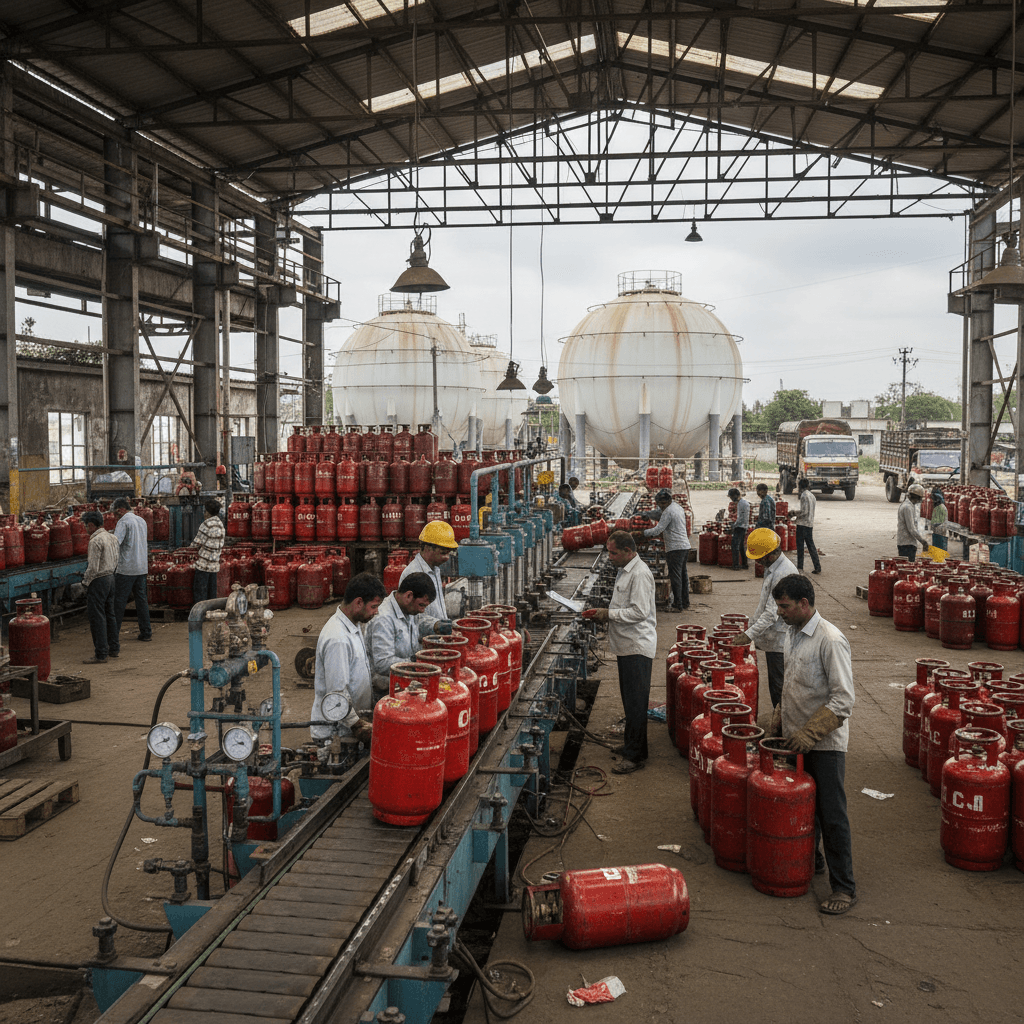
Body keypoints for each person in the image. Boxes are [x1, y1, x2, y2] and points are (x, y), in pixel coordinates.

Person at [770, 573, 857, 916]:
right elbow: (791, 683)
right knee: (804, 811)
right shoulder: (792, 633)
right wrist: (777, 720)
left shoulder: (830, 640)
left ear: (804, 604)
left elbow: (843, 701)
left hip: (824, 744)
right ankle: (813, 861)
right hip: (795, 739)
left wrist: (808, 734)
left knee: (831, 814)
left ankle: (844, 887)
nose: (780, 613)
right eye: (779, 606)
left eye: (785, 606)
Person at [586, 531, 657, 775]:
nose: (610, 557)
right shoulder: (625, 570)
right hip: (626, 645)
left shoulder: (639, 574)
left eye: (613, 552)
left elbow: (639, 612)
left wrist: (608, 614)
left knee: (636, 703)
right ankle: (631, 746)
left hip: (637, 646)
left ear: (629, 551)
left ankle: (635, 756)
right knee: (630, 701)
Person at [310, 572, 386, 744]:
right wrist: (358, 725)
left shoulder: (354, 625)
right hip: (334, 735)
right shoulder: (338, 639)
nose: (376, 612)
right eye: (374, 606)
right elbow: (337, 695)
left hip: (348, 726)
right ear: (359, 602)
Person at [733, 528, 798, 708]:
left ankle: (782, 729)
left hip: (780, 640)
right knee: (776, 684)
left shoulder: (782, 573)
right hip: (774, 637)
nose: (757, 562)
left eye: (758, 558)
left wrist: (748, 635)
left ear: (769, 554)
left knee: (779, 687)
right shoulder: (773, 568)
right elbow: (765, 604)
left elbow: (771, 613)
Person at [366, 572, 448, 703]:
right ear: (409, 595)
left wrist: (437, 625)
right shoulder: (383, 619)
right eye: (421, 605)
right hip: (386, 691)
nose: (422, 610)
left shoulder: (408, 608)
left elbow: (420, 619)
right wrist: (413, 661)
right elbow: (381, 663)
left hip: (407, 684)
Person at [640, 488, 690, 611]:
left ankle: (677, 605)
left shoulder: (668, 512)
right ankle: (685, 601)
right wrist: (648, 514)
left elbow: (658, 529)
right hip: (684, 546)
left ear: (663, 503)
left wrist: (643, 533)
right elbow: (658, 513)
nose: (659, 507)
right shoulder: (676, 507)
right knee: (683, 575)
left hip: (675, 548)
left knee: (675, 577)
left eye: (659, 504)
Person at [81, 511, 120, 665]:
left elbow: (93, 567)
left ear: (91, 525)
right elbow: (117, 560)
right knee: (110, 614)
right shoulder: (113, 537)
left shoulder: (95, 541)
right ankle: (114, 648)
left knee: (97, 617)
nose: (85, 528)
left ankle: (101, 654)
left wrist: (85, 582)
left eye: (86, 525)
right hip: (111, 578)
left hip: (99, 580)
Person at [400, 521, 459, 623]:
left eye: (448, 553)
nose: (447, 558)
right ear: (427, 547)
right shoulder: (413, 574)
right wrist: (437, 626)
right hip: (423, 637)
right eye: (443, 553)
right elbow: (412, 618)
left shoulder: (435, 570)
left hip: (436, 635)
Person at [111, 497, 152, 646]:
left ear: (121, 510)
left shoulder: (123, 522)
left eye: (116, 514)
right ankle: (146, 632)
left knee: (119, 601)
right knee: (141, 600)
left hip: (127, 568)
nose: (115, 517)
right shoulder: (141, 521)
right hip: (141, 566)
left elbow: (116, 543)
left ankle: (113, 635)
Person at [191, 499, 226, 602]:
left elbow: (196, 544)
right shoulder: (220, 525)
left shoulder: (206, 524)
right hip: (214, 566)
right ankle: (210, 615)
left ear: (207, 512)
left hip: (203, 565)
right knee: (211, 595)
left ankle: (199, 616)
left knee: (200, 593)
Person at [897, 483, 931, 561]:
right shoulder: (907, 507)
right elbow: (911, 528)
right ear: (916, 497)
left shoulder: (910, 506)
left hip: (908, 542)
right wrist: (923, 541)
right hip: (906, 544)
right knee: (907, 567)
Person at [794, 478, 822, 574]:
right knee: (811, 546)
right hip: (810, 524)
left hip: (802, 524)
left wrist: (794, 513)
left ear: (800, 486)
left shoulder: (804, 495)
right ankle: (817, 566)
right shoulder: (812, 496)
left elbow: (804, 511)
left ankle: (800, 567)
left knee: (800, 547)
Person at [728, 487, 750, 570]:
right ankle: (744, 564)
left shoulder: (741, 504)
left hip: (740, 527)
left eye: (731, 497)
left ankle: (736, 565)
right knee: (741, 546)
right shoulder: (744, 503)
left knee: (735, 546)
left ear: (734, 496)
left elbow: (740, 518)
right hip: (744, 526)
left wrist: (734, 525)